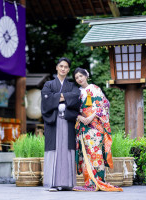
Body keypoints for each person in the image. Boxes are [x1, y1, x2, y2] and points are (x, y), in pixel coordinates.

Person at [72, 67, 123, 192]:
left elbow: (105, 104)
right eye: (76, 77)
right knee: (86, 155)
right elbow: (72, 109)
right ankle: (89, 182)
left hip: (95, 125)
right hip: (83, 126)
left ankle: (99, 181)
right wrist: (79, 117)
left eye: (81, 76)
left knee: (96, 153)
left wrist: (92, 116)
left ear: (86, 76)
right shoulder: (76, 92)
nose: (79, 79)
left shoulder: (95, 89)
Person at [41, 57, 81, 192]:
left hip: (68, 121)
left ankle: (67, 183)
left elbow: (76, 98)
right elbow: (46, 99)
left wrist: (57, 96)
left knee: (67, 150)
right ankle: (52, 183)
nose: (63, 69)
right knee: (55, 149)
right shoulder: (48, 85)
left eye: (66, 67)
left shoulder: (72, 86)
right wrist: (64, 96)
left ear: (68, 69)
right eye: (61, 66)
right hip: (54, 121)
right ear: (57, 67)